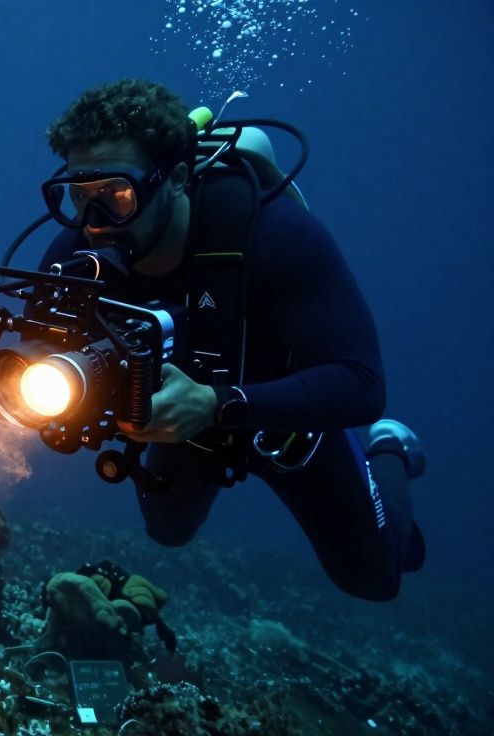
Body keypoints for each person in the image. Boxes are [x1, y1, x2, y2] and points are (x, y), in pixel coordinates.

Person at [36, 78, 424, 601]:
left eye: (116, 196)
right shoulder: (76, 255)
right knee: (167, 531)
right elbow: (44, 348)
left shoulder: (276, 236)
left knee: (376, 578)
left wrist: (219, 403)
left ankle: (391, 447)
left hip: (284, 419)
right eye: (79, 197)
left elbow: (360, 383)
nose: (94, 223)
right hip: (183, 419)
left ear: (174, 178)